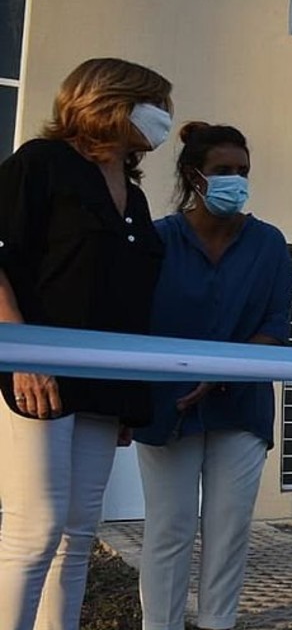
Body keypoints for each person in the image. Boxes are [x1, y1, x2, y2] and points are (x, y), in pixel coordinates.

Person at [0, 57, 172, 630]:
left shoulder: (138, 198)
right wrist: (24, 353)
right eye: (156, 104)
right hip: (38, 369)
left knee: (79, 531)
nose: (165, 118)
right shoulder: (42, 163)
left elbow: (127, 299)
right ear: (112, 100)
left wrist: (127, 399)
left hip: (105, 382)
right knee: (36, 526)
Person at [133, 122, 292, 630]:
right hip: (167, 406)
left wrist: (223, 370)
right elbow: (135, 321)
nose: (237, 181)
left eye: (243, 171)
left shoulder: (268, 243)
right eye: (224, 171)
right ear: (193, 175)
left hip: (240, 405)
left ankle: (217, 623)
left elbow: (276, 325)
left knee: (228, 530)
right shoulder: (159, 239)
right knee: (169, 528)